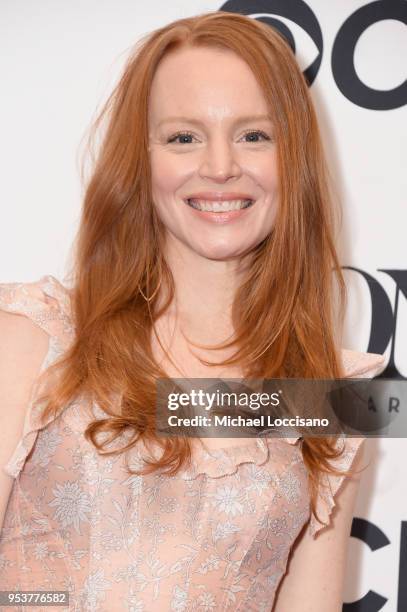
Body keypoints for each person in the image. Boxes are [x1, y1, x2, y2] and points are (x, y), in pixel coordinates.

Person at [0, 11, 385, 612]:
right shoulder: (35, 338)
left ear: (295, 162)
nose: (220, 165)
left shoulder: (328, 398)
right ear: (139, 160)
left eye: (255, 135)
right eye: (184, 137)